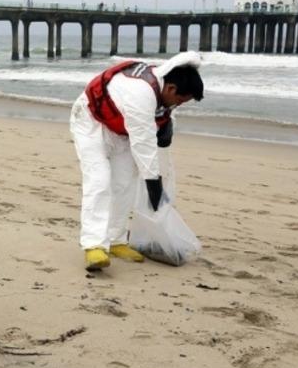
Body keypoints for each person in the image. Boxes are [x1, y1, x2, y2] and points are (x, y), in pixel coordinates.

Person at [70, 52, 203, 271]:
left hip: (120, 132)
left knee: (125, 184)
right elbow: (143, 143)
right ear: (171, 88)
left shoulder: (162, 90)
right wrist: (154, 186)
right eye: (180, 100)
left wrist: (167, 130)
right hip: (90, 125)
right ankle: (94, 246)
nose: (178, 105)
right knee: (100, 181)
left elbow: (157, 125)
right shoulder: (140, 92)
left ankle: (116, 240)